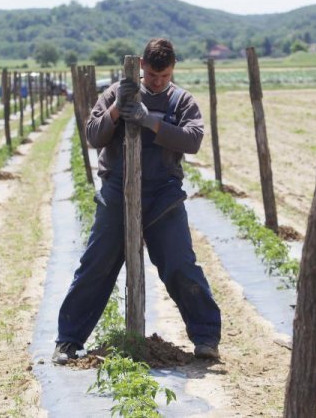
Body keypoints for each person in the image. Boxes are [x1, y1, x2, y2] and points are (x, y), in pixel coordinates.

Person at [53, 38, 221, 364]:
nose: (158, 82)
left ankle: (206, 338)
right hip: (117, 190)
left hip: (163, 194)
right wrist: (117, 110)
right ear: (141, 65)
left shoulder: (182, 100)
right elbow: (92, 135)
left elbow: (193, 140)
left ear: (172, 71)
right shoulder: (115, 93)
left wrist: (151, 121)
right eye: (153, 75)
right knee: (96, 265)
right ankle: (68, 340)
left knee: (180, 264)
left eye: (165, 76)